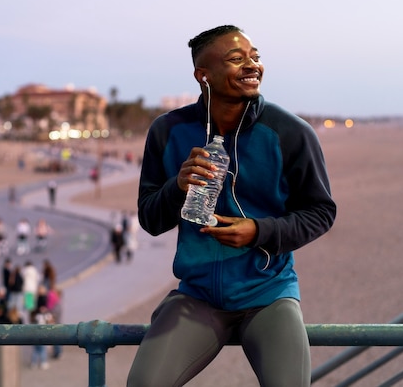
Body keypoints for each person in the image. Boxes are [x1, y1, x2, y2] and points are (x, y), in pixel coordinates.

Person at [127, 25, 336, 387]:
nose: (251, 65)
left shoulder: (290, 132)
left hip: (268, 294)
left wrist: (259, 231)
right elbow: (150, 218)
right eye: (236, 59)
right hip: (198, 296)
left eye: (254, 56)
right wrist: (178, 187)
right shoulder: (168, 131)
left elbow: (321, 212)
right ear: (202, 76)